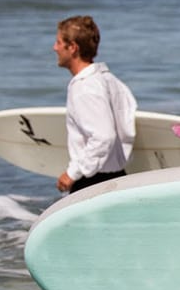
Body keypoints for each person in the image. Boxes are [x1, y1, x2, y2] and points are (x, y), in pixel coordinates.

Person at [53, 16, 137, 194]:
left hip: (93, 183)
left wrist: (72, 173)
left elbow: (104, 136)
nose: (55, 48)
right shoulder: (110, 80)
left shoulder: (85, 87)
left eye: (59, 42)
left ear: (73, 47)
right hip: (118, 177)